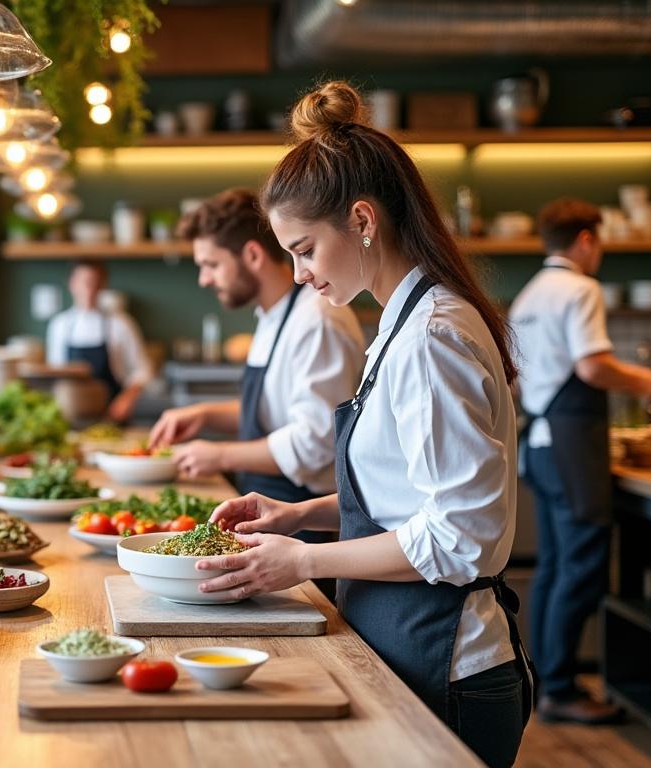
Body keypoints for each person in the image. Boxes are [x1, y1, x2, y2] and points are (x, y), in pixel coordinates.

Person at [197, 81, 533, 767]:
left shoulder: (434, 335)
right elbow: (406, 496)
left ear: (362, 220)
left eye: (305, 250)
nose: (296, 275)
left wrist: (305, 560)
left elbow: (460, 538)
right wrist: (298, 515)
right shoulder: (400, 326)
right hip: (403, 646)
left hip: (451, 671)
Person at [150, 189, 364, 601]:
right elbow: (276, 410)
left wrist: (220, 455)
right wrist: (207, 415)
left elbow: (314, 442)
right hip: (269, 514)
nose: (204, 279)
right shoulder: (271, 316)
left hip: (303, 527)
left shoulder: (317, 320)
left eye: (211, 264)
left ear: (251, 255)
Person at [509, 198, 651, 725]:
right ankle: (562, 688)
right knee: (580, 567)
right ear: (587, 239)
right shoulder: (580, 288)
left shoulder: (528, 295)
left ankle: (547, 682)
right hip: (573, 446)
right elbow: (593, 368)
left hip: (544, 446)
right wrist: (643, 381)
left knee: (556, 567)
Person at [45, 260, 153, 424]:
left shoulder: (120, 324)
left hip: (111, 417)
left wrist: (127, 399)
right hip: (71, 417)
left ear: (103, 285)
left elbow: (143, 371)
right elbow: (55, 373)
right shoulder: (59, 325)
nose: (89, 289)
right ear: (72, 284)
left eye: (94, 282)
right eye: (84, 282)